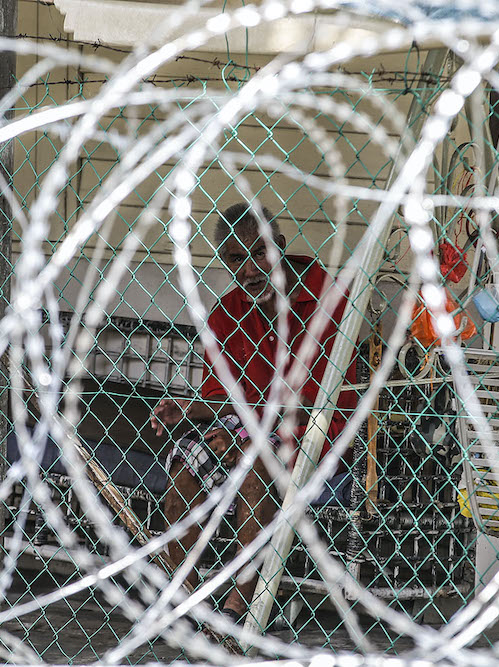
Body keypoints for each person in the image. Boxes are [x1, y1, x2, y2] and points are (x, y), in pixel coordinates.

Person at [150, 202, 358, 623]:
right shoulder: (227, 311)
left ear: (279, 247)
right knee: (186, 462)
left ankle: (238, 608)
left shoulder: (327, 298)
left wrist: (247, 433)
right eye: (234, 259)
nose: (248, 269)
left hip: (316, 432)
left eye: (258, 253)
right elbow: (219, 392)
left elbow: (323, 402)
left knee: (254, 457)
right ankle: (184, 600)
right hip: (248, 425)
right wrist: (192, 411)